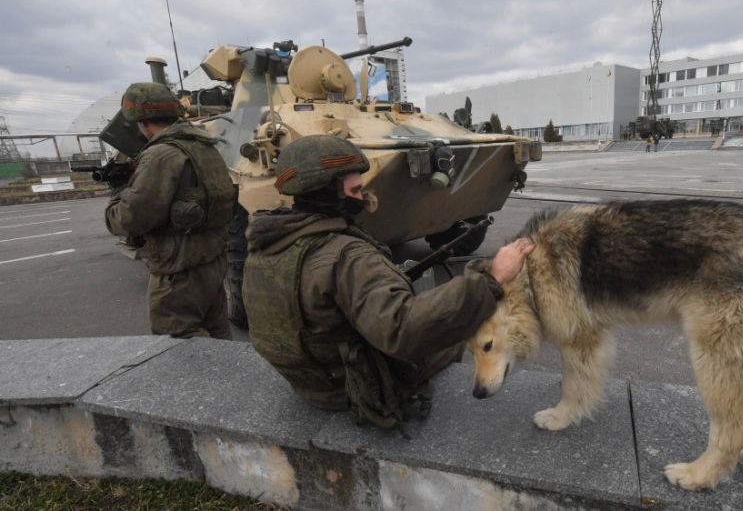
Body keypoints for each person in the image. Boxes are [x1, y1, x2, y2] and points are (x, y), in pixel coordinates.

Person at [242, 135, 535, 429]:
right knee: (451, 333)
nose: (362, 198)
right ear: (330, 192)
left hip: (311, 383)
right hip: (353, 388)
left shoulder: (271, 243)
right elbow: (404, 329)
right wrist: (491, 279)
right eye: (355, 190)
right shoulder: (346, 258)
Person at [105, 82, 236, 340]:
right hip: (211, 260)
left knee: (179, 342)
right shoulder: (205, 146)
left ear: (142, 122)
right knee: (218, 335)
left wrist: (118, 195)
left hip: (179, 270)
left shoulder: (161, 155)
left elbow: (130, 219)